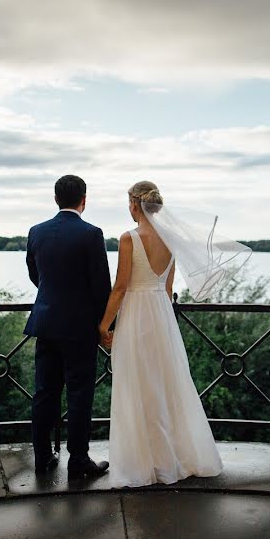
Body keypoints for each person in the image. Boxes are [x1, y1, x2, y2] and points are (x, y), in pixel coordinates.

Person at [98, 181, 228, 488]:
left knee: (138, 385)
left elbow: (120, 287)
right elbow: (168, 289)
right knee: (167, 384)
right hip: (161, 314)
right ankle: (174, 458)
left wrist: (104, 324)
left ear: (134, 204)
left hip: (136, 315)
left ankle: (145, 463)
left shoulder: (129, 238)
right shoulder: (171, 239)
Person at [24, 175, 111, 479]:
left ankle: (42, 457)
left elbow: (36, 276)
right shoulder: (91, 234)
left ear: (56, 199)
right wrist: (105, 326)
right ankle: (78, 461)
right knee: (79, 394)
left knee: (44, 393)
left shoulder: (37, 232)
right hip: (79, 329)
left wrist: (53, 298)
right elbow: (102, 286)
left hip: (46, 323)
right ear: (84, 199)